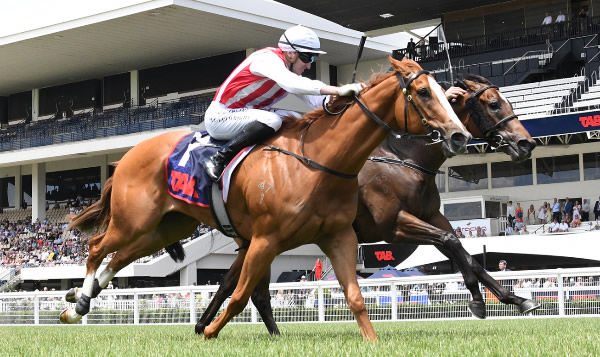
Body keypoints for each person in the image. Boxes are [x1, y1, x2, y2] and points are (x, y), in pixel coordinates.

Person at [202, 25, 365, 182]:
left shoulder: (288, 71)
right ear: (291, 53)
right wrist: (337, 90)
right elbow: (291, 83)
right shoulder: (266, 59)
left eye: (313, 58)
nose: (309, 65)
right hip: (220, 118)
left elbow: (317, 101)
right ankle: (218, 159)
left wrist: (355, 97)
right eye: (308, 57)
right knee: (273, 120)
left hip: (246, 115)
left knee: (295, 119)